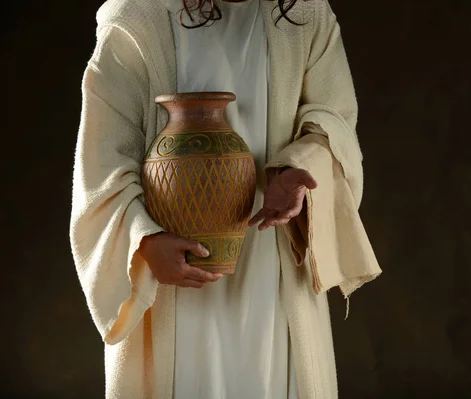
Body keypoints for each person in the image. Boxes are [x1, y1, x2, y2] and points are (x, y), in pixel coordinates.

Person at [70, 0, 381, 398]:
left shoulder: (306, 14)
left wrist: (293, 172)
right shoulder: (137, 18)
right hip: (170, 274)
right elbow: (102, 158)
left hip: (272, 264)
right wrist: (145, 241)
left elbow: (333, 119)